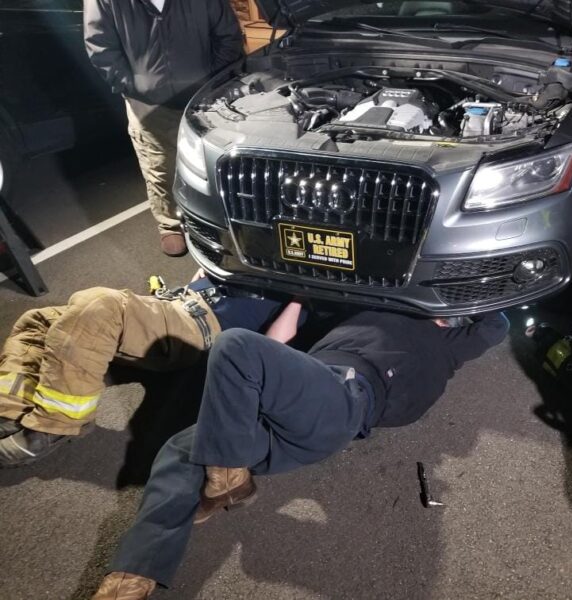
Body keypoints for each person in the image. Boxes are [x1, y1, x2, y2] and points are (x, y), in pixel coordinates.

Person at [89, 306, 509, 598]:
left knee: (236, 346)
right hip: (286, 402)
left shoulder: (453, 344)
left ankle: (230, 476)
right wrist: (299, 295)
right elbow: (277, 340)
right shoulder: (361, 307)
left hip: (344, 400)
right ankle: (131, 579)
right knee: (182, 451)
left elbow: (499, 322)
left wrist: (454, 295)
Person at [0, 273, 299, 466]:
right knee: (39, 320)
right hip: (176, 304)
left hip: (199, 328)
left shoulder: (301, 286)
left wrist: (301, 294)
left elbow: (275, 342)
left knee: (101, 307)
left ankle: (51, 426)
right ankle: (10, 410)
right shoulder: (244, 251)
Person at [83, 0, 243, 256]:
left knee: (212, 164)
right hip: (148, 104)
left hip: (203, 98)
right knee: (159, 165)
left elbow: (228, 35)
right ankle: (169, 225)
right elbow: (100, 47)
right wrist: (135, 86)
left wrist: (213, 79)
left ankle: (220, 225)